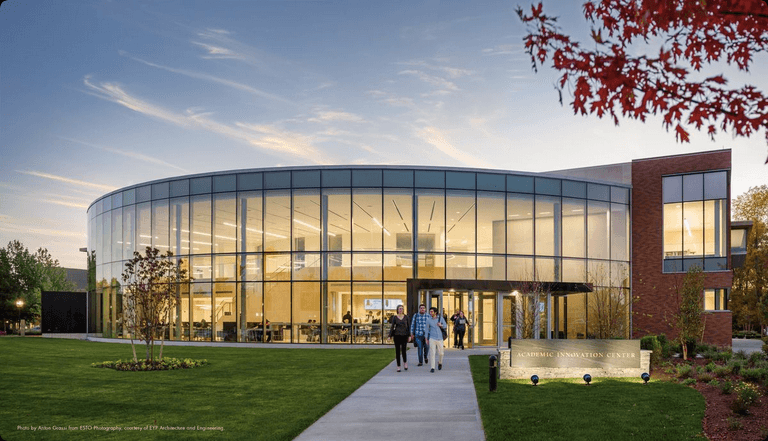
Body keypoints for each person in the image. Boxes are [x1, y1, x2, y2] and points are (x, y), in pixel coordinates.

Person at [388, 305, 410, 372]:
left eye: (402, 309)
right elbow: (392, 327)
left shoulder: (406, 317)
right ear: (397, 310)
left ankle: (405, 363)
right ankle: (398, 366)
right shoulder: (395, 317)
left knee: (403, 350)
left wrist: (409, 336)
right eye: (399, 309)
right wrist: (390, 335)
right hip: (397, 335)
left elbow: (408, 326)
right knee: (397, 351)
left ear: (403, 310)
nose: (401, 310)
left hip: (404, 335)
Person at [425, 307, 447, 373]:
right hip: (432, 338)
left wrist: (441, 325)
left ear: (435, 312)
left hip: (440, 338)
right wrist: (426, 338)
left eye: (432, 312)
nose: (430, 313)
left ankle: (440, 363)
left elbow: (445, 326)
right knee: (432, 353)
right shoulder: (428, 320)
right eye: (430, 312)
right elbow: (426, 330)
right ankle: (432, 367)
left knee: (441, 353)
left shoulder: (440, 318)